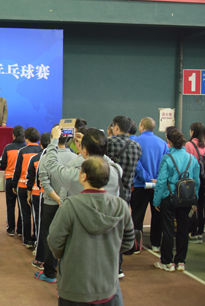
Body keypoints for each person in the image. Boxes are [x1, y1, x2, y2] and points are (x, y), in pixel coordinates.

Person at [48, 156, 134, 306]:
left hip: (74, 286)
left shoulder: (70, 206)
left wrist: (68, 256)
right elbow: (128, 242)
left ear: (83, 177)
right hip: (107, 285)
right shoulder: (121, 206)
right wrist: (109, 252)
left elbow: (55, 241)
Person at [32, 128, 77, 282]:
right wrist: (63, 200)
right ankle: (67, 273)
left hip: (50, 203)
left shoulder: (46, 158)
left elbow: (43, 182)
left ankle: (50, 272)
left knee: (48, 237)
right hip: (69, 204)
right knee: (69, 238)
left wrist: (57, 199)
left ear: (53, 138)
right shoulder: (75, 158)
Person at [153, 127, 201, 272]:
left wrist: (156, 201)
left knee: (168, 230)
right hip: (186, 199)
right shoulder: (192, 158)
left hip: (169, 197)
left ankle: (167, 262)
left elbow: (161, 181)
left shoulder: (168, 158)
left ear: (169, 141)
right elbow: (197, 182)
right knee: (183, 230)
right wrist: (195, 200)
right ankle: (180, 261)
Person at [132, 117, 169, 253]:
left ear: (142, 126)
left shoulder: (135, 142)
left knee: (137, 216)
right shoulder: (163, 143)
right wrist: (157, 179)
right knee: (157, 216)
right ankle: (156, 244)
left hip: (140, 185)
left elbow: (136, 163)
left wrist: (147, 178)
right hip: (157, 186)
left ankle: (136, 245)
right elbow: (165, 165)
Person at [25, 133, 51, 272]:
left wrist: (29, 194)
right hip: (52, 196)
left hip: (39, 194)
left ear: (41, 144)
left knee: (39, 222)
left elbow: (32, 178)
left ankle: (39, 249)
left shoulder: (37, 158)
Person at [11, 127, 41, 248]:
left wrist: (14, 184)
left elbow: (17, 170)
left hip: (22, 186)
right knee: (37, 215)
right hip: (37, 188)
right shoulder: (41, 151)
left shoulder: (22, 151)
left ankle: (27, 239)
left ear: (26, 138)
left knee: (25, 214)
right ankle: (36, 238)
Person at [106, 115, 142, 204]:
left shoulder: (109, 143)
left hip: (109, 194)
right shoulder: (137, 146)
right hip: (126, 194)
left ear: (116, 128)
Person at [0, 125, 26, 237]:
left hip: (10, 179)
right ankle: (20, 229)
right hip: (22, 180)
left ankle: (10, 228)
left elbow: (2, 165)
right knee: (22, 206)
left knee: (10, 205)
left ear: (13, 136)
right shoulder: (26, 148)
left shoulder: (8, 147)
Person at [187, 122, 205, 244]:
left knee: (193, 204)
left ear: (192, 131)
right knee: (202, 205)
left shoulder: (189, 144)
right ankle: (201, 230)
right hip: (204, 179)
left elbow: (187, 162)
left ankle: (192, 231)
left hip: (193, 178)